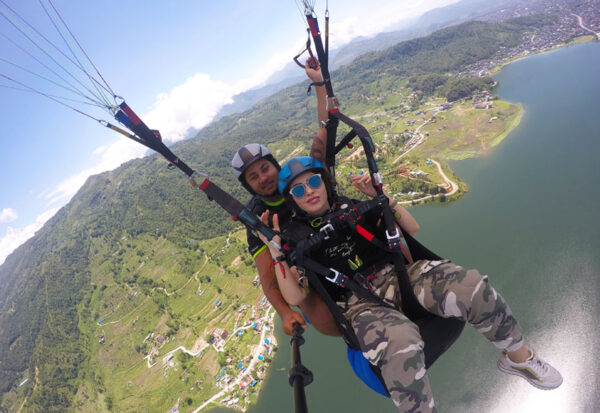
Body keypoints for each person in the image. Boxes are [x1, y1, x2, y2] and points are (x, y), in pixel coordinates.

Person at [257, 155, 563, 412]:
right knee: (400, 340)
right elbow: (296, 296)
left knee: (471, 285)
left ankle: (518, 358)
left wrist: (383, 200)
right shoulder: (294, 238)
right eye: (298, 189)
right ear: (292, 200)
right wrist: (277, 254)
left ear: (325, 182)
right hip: (357, 302)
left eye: (313, 182)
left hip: (398, 276)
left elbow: (411, 227)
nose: (309, 191)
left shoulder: (352, 207)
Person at [230, 60, 339, 336]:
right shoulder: (256, 218)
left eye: (265, 168)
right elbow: (268, 278)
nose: (263, 178)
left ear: (275, 165)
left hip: (344, 243)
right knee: (326, 319)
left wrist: (319, 85)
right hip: (313, 272)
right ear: (248, 187)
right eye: (253, 177)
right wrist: (285, 312)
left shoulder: (297, 178)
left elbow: (323, 133)